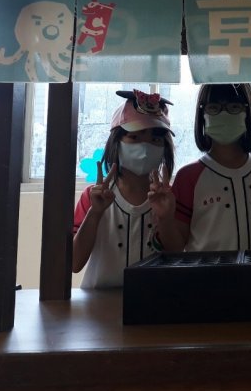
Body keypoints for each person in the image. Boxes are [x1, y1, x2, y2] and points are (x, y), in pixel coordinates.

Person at [150, 83, 251, 252]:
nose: (224, 114)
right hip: (206, 270)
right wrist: (165, 219)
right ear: (202, 114)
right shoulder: (188, 176)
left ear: (248, 112)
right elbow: (176, 247)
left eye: (234, 107)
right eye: (214, 107)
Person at [72, 89, 177, 288]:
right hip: (98, 302)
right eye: (134, 137)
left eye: (155, 140)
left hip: (154, 300)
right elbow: (74, 263)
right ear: (116, 142)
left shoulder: (168, 198)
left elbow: (176, 257)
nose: (145, 147)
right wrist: (95, 213)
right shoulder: (93, 196)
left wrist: (165, 219)